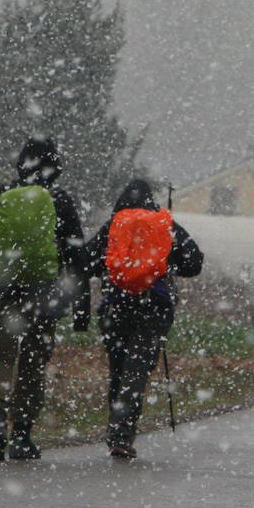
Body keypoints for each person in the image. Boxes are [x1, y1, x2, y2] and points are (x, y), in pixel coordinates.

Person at [0, 137, 88, 462]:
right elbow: (76, 259)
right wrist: (81, 307)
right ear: (55, 168)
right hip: (42, 293)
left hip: (0, 289)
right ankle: (22, 435)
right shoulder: (60, 200)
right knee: (32, 363)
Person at [84, 178, 202, 459]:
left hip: (116, 307)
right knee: (136, 372)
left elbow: (86, 260)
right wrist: (166, 263)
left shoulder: (115, 224)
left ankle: (116, 430)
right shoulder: (164, 224)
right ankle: (123, 434)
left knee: (119, 370)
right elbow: (194, 262)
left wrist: (109, 267)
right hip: (155, 308)